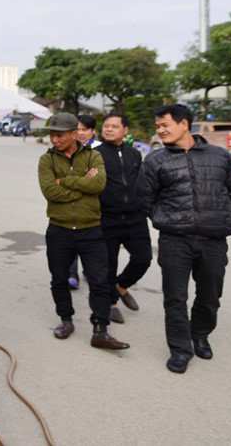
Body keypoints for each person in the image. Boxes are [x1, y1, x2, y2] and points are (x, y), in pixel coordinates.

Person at [136, 103, 231, 374]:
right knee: (175, 297)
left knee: (210, 295)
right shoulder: (156, 160)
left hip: (213, 239)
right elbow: (145, 199)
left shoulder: (219, 156)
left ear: (184, 124)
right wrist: (166, 219)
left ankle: (200, 335)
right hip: (175, 240)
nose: (160, 130)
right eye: (157, 126)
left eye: (165, 125)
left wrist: (222, 218)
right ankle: (180, 349)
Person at [37, 113, 128, 350]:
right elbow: (50, 192)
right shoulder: (46, 161)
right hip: (59, 230)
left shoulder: (93, 155)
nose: (54, 139)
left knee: (99, 281)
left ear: (73, 134)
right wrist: (82, 184)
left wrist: (64, 181)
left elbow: (98, 185)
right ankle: (66, 320)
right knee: (59, 279)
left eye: (59, 135)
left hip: (91, 230)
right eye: (51, 134)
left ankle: (101, 329)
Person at [97, 112, 152, 325]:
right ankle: (111, 303)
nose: (109, 129)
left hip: (135, 218)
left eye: (114, 126)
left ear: (125, 130)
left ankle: (120, 287)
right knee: (109, 264)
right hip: (107, 218)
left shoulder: (134, 154)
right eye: (106, 126)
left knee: (143, 258)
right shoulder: (95, 154)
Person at [66, 114, 100, 289]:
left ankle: (90, 270)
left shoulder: (100, 150)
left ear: (93, 131)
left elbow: (98, 179)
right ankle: (72, 274)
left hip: (96, 203)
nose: (80, 133)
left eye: (84, 129)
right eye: (76, 129)